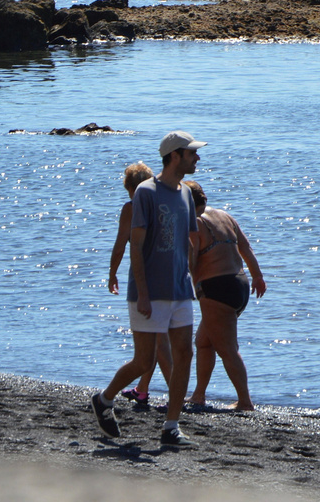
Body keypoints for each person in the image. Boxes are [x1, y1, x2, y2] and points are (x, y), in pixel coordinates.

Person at [90, 132, 202, 446]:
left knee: (184, 354)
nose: (197, 158)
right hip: (150, 291)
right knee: (144, 361)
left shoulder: (186, 195)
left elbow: (189, 244)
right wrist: (141, 292)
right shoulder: (146, 193)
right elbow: (135, 246)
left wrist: (196, 282)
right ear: (176, 155)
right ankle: (104, 399)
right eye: (192, 153)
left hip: (180, 289)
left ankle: (171, 426)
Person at [182, 179, 267, 412]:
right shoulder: (223, 215)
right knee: (204, 342)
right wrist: (258, 276)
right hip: (239, 285)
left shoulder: (194, 224)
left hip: (216, 288)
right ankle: (198, 395)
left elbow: (191, 262)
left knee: (227, 348)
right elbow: (245, 247)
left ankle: (245, 401)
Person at [106, 161, 171, 408]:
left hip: (145, 279)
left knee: (157, 341)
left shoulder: (132, 208)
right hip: (168, 276)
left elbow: (121, 244)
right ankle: (143, 389)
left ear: (132, 188)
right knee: (155, 338)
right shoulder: (165, 205)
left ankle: (176, 395)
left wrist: (112, 273)